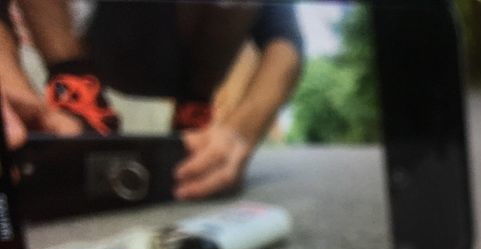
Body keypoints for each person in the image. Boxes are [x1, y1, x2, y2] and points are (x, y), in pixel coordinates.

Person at [0, 0, 302, 198]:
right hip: (97, 34)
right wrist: (10, 85)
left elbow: (286, 44)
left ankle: (192, 114)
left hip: (184, 54)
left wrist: (239, 133)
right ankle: (77, 91)